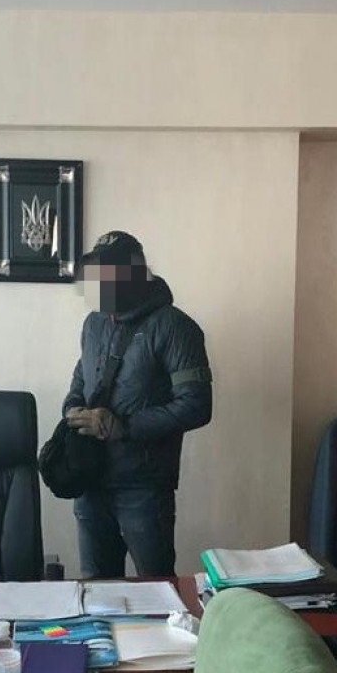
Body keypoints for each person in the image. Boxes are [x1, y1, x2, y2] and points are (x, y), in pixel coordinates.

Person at [62, 231, 212, 578]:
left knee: (156, 591)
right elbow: (82, 378)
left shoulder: (177, 327)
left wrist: (122, 427)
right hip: (89, 481)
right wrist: (71, 409)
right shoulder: (93, 323)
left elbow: (197, 405)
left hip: (144, 490)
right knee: (95, 593)